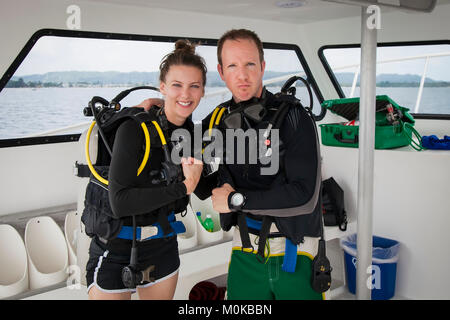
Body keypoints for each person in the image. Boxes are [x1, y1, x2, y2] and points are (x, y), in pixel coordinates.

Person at [85, 40, 208, 300]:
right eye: (177, 85)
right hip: (116, 248)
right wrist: (184, 187)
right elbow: (120, 202)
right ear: (162, 86)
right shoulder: (134, 129)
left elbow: (203, 184)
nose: (185, 95)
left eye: (193, 86)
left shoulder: (189, 134)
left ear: (203, 91)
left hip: (162, 246)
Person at [208, 29, 324, 300]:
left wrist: (237, 199)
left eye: (250, 64)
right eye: (232, 66)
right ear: (221, 71)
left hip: (296, 253)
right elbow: (206, 178)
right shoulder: (219, 120)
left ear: (262, 66)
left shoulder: (295, 118)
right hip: (244, 251)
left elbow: (304, 197)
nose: (242, 74)